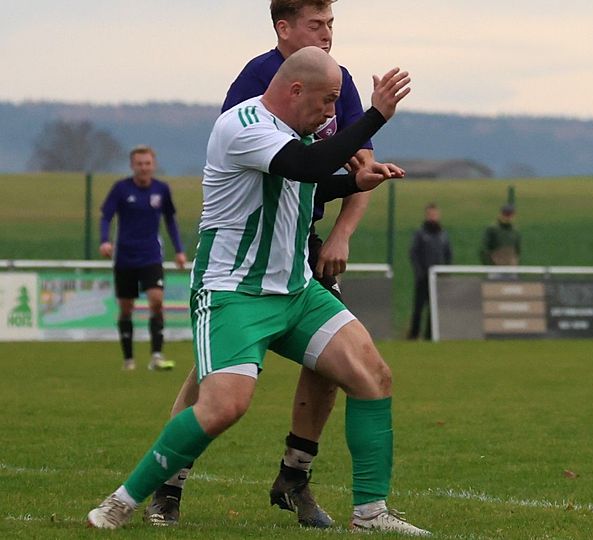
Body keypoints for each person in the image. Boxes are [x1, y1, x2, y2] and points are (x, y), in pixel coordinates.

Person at [87, 47, 429, 536]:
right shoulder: (243, 125)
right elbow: (305, 166)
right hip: (234, 293)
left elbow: (305, 184)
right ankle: (123, 501)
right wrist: (374, 116)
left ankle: (370, 515)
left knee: (373, 376)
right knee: (224, 406)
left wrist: (354, 181)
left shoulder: (295, 133)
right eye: (327, 100)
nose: (332, 112)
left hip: (296, 290)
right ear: (296, 90)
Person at [144, 0, 381, 528]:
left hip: (304, 243)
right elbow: (260, 157)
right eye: (316, 24)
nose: (327, 33)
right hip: (249, 248)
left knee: (335, 360)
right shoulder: (257, 80)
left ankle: (295, 477)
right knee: (213, 373)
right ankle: (168, 485)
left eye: (331, 23)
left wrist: (340, 234)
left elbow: (361, 166)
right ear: (284, 27)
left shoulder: (339, 81)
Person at [99, 146, 187, 371]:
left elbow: (170, 221)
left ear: (153, 165)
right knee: (126, 308)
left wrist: (179, 250)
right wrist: (104, 240)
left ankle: (156, 355)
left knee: (156, 301)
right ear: (132, 165)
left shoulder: (161, 189)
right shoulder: (121, 188)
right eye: (139, 163)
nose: (143, 167)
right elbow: (106, 216)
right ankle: (128, 359)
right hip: (125, 257)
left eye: (147, 163)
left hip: (151, 256)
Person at [407, 203, 452, 340]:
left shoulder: (443, 234)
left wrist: (446, 271)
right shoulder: (420, 233)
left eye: (435, 214)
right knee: (419, 307)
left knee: (434, 308)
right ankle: (414, 335)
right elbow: (413, 253)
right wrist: (419, 271)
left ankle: (430, 335)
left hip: (437, 278)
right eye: (430, 214)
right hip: (423, 277)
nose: (433, 217)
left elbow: (448, 254)